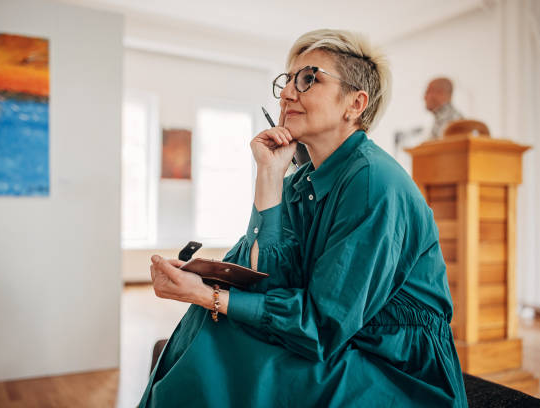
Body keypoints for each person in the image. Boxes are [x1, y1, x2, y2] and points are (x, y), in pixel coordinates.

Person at [139, 29, 467, 407]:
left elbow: (321, 326)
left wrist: (208, 295)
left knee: (219, 329)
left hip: (395, 363)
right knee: (208, 319)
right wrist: (269, 176)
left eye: (308, 78)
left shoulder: (374, 181)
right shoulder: (300, 180)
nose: (287, 93)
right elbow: (269, 283)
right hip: (344, 338)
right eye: (287, 80)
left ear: (355, 104)